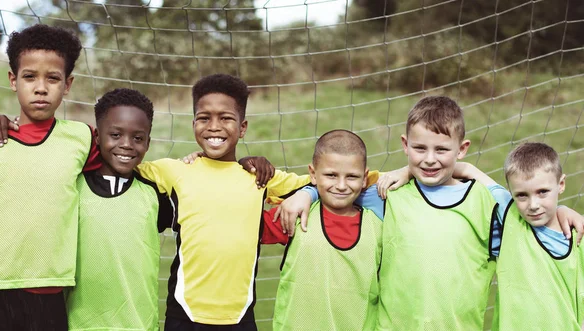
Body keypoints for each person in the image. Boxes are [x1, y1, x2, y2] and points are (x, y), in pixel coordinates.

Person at [279, 96, 584, 330]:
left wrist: (564, 211)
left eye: (441, 150)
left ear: (461, 149)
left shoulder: (486, 203)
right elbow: (338, 188)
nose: (429, 160)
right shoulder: (387, 195)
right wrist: (306, 192)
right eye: (419, 149)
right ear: (405, 145)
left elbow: (534, 214)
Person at [135, 73, 323, 331]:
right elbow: (120, 163)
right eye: (204, 118)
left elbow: (327, 183)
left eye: (225, 118)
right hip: (184, 314)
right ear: (193, 125)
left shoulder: (259, 177)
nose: (214, 126)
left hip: (240, 316)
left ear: (242, 127)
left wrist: (307, 193)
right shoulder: (175, 171)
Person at [0, 24, 100, 330]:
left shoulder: (83, 139)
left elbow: (128, 165)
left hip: (49, 287)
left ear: (68, 84)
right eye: (29, 76)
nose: (40, 87)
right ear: (12, 80)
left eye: (53, 78)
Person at [65, 88, 175, 330]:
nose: (126, 145)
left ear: (148, 142)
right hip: (79, 325)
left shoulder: (155, 193)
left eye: (137, 138)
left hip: (139, 325)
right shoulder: (72, 186)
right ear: (97, 137)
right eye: (115, 134)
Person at [264, 129, 382, 331]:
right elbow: (243, 225)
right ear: (313, 174)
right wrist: (245, 169)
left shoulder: (379, 224)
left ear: (364, 178)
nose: (341, 185)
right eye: (331, 175)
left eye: (352, 177)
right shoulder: (295, 213)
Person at [491, 142, 583, 330]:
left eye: (542, 192)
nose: (533, 205)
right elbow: (466, 170)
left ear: (561, 184)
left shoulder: (578, 235)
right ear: (510, 193)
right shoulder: (510, 218)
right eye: (522, 195)